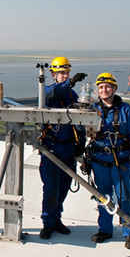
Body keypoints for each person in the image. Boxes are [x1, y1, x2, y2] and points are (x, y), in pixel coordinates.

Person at [88, 72, 130, 250]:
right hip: (99, 160)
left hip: (121, 161)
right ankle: (105, 229)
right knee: (103, 197)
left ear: (114, 89)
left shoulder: (125, 109)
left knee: (124, 197)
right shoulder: (92, 110)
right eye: (101, 88)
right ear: (98, 91)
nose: (104, 90)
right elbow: (83, 132)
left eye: (107, 87)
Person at [38, 56, 87, 240]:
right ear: (53, 74)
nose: (65, 76)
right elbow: (52, 94)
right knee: (51, 189)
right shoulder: (48, 92)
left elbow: (79, 122)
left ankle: (56, 219)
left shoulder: (72, 96)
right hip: (51, 149)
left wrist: (81, 145)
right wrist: (71, 83)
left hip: (68, 149)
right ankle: (47, 223)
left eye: (67, 73)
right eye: (61, 73)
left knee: (64, 188)